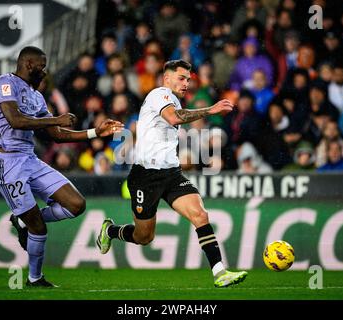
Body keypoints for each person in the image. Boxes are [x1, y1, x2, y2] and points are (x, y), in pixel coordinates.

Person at [97, 59, 248, 288]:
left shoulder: (174, 100)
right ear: (166, 78)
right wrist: (210, 109)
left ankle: (220, 272)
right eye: (181, 78)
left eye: (188, 79)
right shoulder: (159, 94)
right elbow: (174, 118)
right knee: (144, 237)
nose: (186, 83)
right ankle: (110, 230)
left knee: (200, 215)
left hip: (171, 174)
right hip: (145, 176)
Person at [0, 46, 123, 287]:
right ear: (28, 64)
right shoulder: (5, 83)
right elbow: (15, 120)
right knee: (38, 228)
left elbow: (57, 135)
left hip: (29, 159)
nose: (45, 70)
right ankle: (34, 278)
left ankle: (22, 221)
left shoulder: (37, 96)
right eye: (42, 65)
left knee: (76, 204)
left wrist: (95, 132)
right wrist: (55, 118)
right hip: (7, 161)